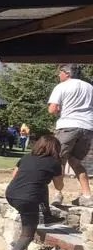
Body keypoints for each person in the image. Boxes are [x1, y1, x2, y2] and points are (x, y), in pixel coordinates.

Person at [0, 135, 65, 250]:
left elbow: (14, 176)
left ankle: (47, 216)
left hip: (11, 194)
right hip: (28, 199)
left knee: (42, 186)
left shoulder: (26, 157)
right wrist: (60, 170)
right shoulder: (54, 163)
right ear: (55, 149)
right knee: (28, 233)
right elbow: (59, 186)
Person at [47, 63, 93, 207]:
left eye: (60, 72)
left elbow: (52, 109)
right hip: (87, 127)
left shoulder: (62, 86)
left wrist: (60, 109)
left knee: (58, 159)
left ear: (67, 73)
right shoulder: (89, 87)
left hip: (68, 126)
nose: (58, 75)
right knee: (76, 161)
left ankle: (58, 194)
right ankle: (87, 196)